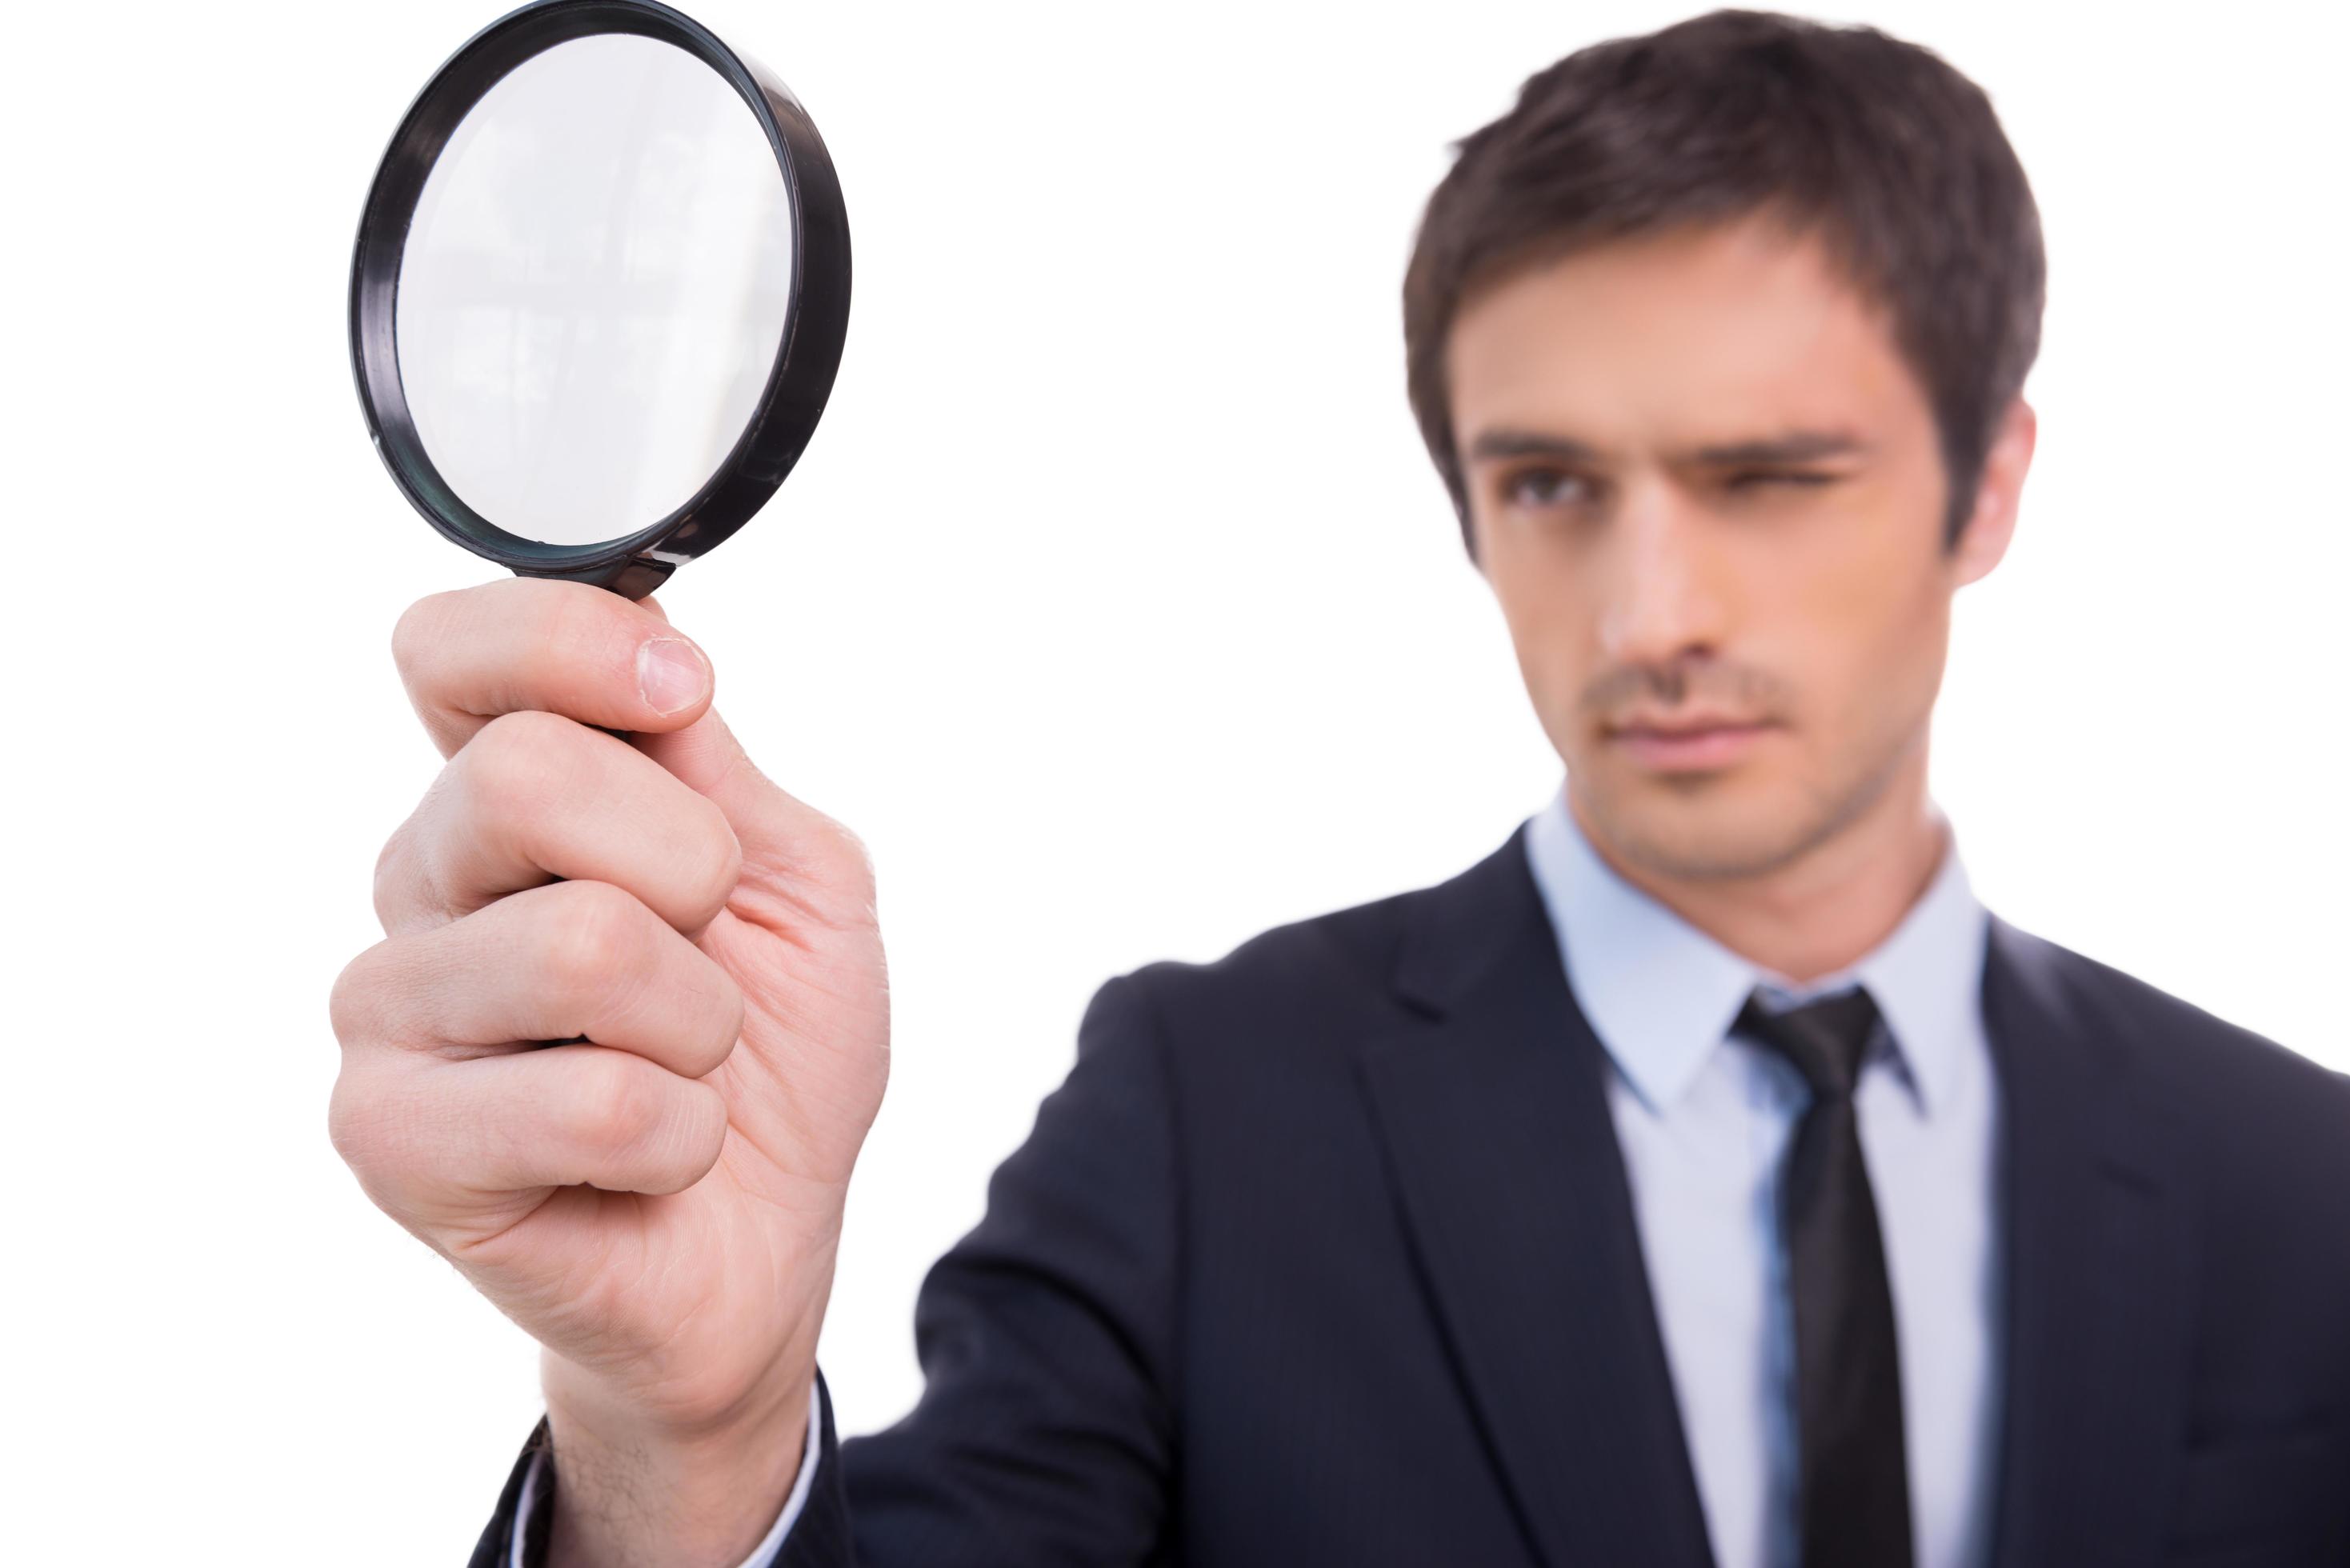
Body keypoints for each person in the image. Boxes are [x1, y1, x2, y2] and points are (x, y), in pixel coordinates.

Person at [327, 10, 2350, 1567]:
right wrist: (684, 1439)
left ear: (1986, 485)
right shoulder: (1203, 1118)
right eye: (1548, 483)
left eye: (1766, 477)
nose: (1648, 612)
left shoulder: (2303, 1185)